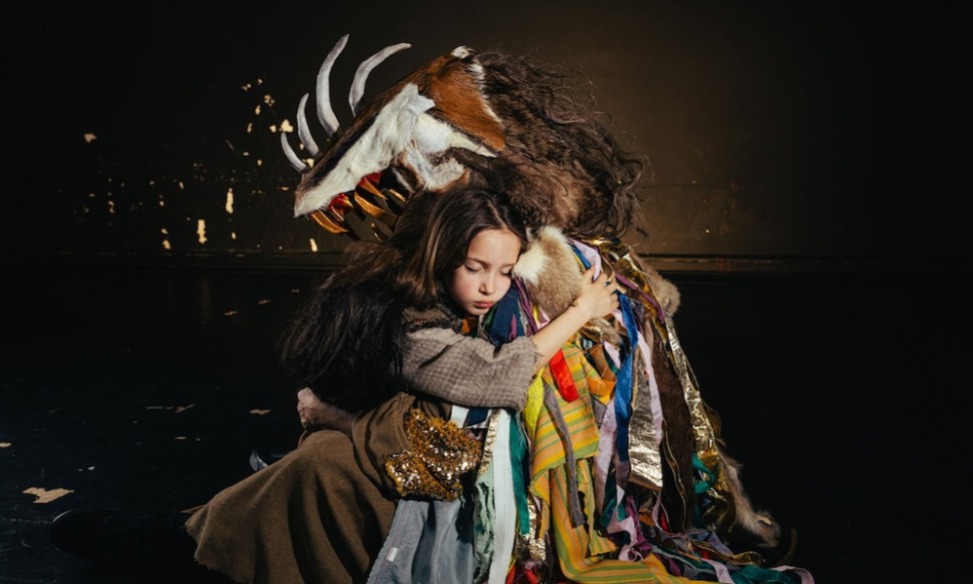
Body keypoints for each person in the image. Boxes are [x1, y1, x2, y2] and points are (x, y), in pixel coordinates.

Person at [50, 182, 620, 583]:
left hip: (413, 465)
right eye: (475, 267)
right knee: (317, 468)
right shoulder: (409, 328)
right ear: (442, 255)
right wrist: (581, 311)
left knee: (318, 466)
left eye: (505, 270)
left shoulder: (444, 302)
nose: (491, 286)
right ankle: (176, 540)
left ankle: (178, 538)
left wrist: (339, 418)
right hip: (408, 466)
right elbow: (494, 376)